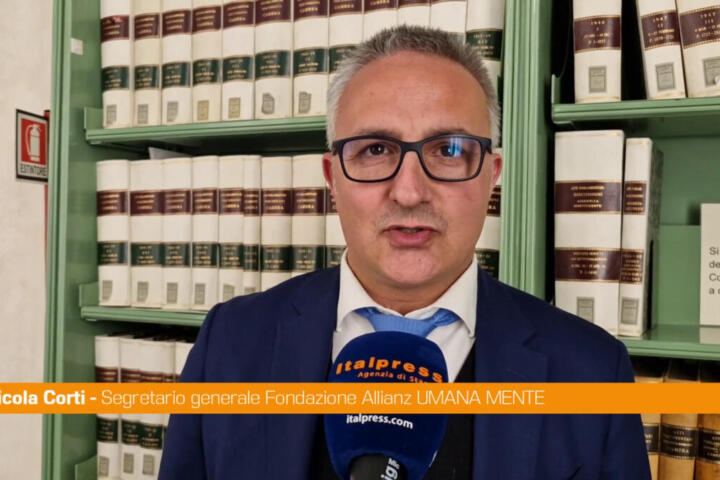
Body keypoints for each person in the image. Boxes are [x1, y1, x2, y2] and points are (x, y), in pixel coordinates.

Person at [159, 26, 650, 479]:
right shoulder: (229, 343)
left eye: (449, 150)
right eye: (375, 150)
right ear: (332, 179)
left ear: (491, 176)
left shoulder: (593, 370)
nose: (410, 192)